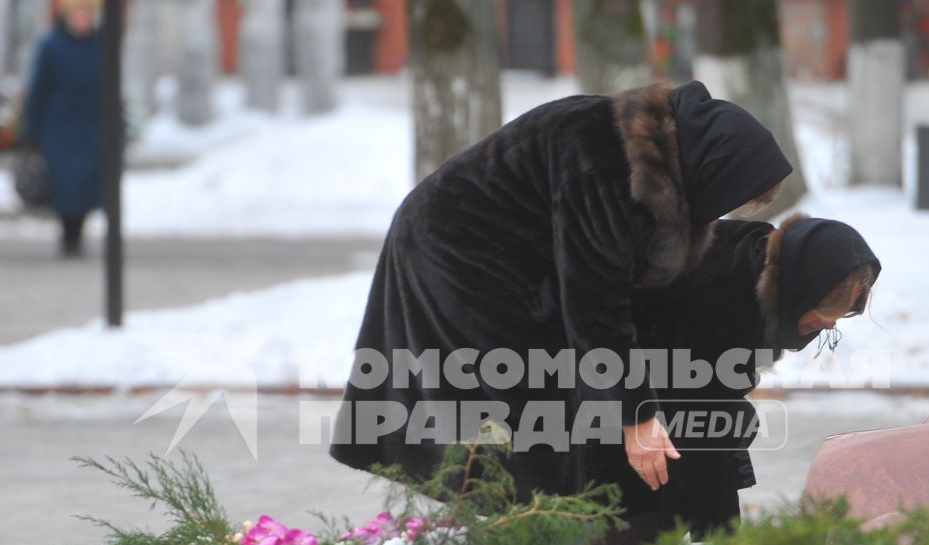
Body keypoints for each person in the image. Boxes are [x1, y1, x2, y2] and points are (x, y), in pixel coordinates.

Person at [330, 78, 791, 508]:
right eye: (728, 198)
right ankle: (503, 543)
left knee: (548, 401)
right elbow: (596, 310)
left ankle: (523, 535)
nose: (719, 214)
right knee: (515, 405)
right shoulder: (606, 173)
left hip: (509, 254)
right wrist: (639, 419)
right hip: (455, 252)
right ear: (710, 169)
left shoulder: (645, 151)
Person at [552, 214, 881, 545]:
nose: (829, 324)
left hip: (654, 374)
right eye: (825, 310)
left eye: (841, 315)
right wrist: (724, 540)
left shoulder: (767, 276)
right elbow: (703, 415)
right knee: (660, 478)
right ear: (803, 288)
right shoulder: (729, 290)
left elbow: (716, 403)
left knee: (679, 472)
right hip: (588, 358)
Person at [22, 0, 105, 258]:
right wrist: (32, 131)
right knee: (64, 185)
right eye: (79, 11)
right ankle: (68, 234)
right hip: (60, 127)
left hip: (90, 127)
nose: (83, 17)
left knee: (85, 185)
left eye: (88, 11)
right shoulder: (52, 46)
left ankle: (77, 232)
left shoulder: (100, 45)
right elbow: (39, 89)